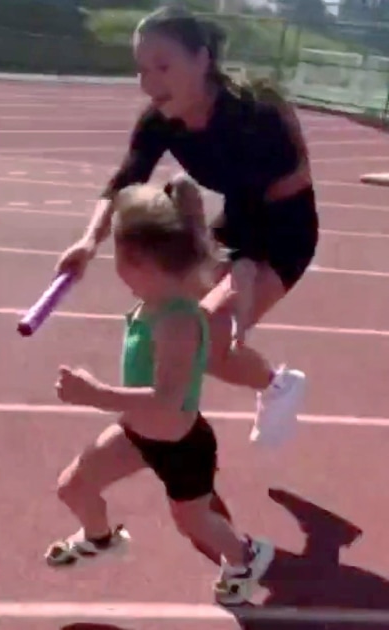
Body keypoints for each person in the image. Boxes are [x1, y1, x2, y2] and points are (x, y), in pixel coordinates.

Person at [55, 5, 318, 448]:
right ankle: (245, 396)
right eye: (141, 69)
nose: (149, 83)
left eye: (163, 66)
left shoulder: (255, 115)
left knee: (211, 344)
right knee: (187, 327)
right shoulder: (161, 120)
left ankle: (279, 386)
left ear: (202, 60)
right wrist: (88, 242)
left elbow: (266, 200)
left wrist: (243, 272)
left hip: (283, 234)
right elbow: (125, 181)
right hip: (236, 223)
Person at [45, 176, 275, 605]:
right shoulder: (155, 299)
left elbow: (167, 398)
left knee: (193, 521)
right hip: (138, 434)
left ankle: (246, 557)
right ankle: (101, 539)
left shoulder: (178, 320)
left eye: (117, 256)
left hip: (181, 445)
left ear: (141, 263)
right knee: (73, 486)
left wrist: (95, 394)